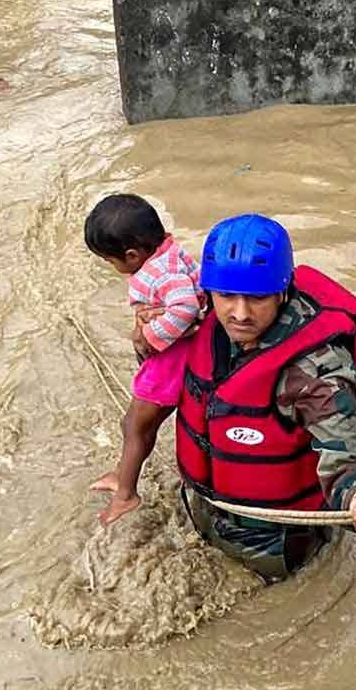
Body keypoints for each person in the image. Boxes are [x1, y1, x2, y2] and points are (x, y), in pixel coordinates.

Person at [174, 214, 356, 581]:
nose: (240, 313)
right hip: (204, 502)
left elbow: (344, 450)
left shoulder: (315, 370)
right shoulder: (203, 314)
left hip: (270, 541)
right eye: (226, 296)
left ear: (283, 290)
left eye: (257, 298)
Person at [83, 194, 203, 526]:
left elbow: (186, 308)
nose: (114, 268)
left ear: (132, 255)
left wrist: (149, 339)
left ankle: (125, 495)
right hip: (177, 354)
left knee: (136, 425)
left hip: (173, 361)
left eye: (111, 261)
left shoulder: (161, 271)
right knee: (135, 425)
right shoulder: (168, 254)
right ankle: (123, 474)